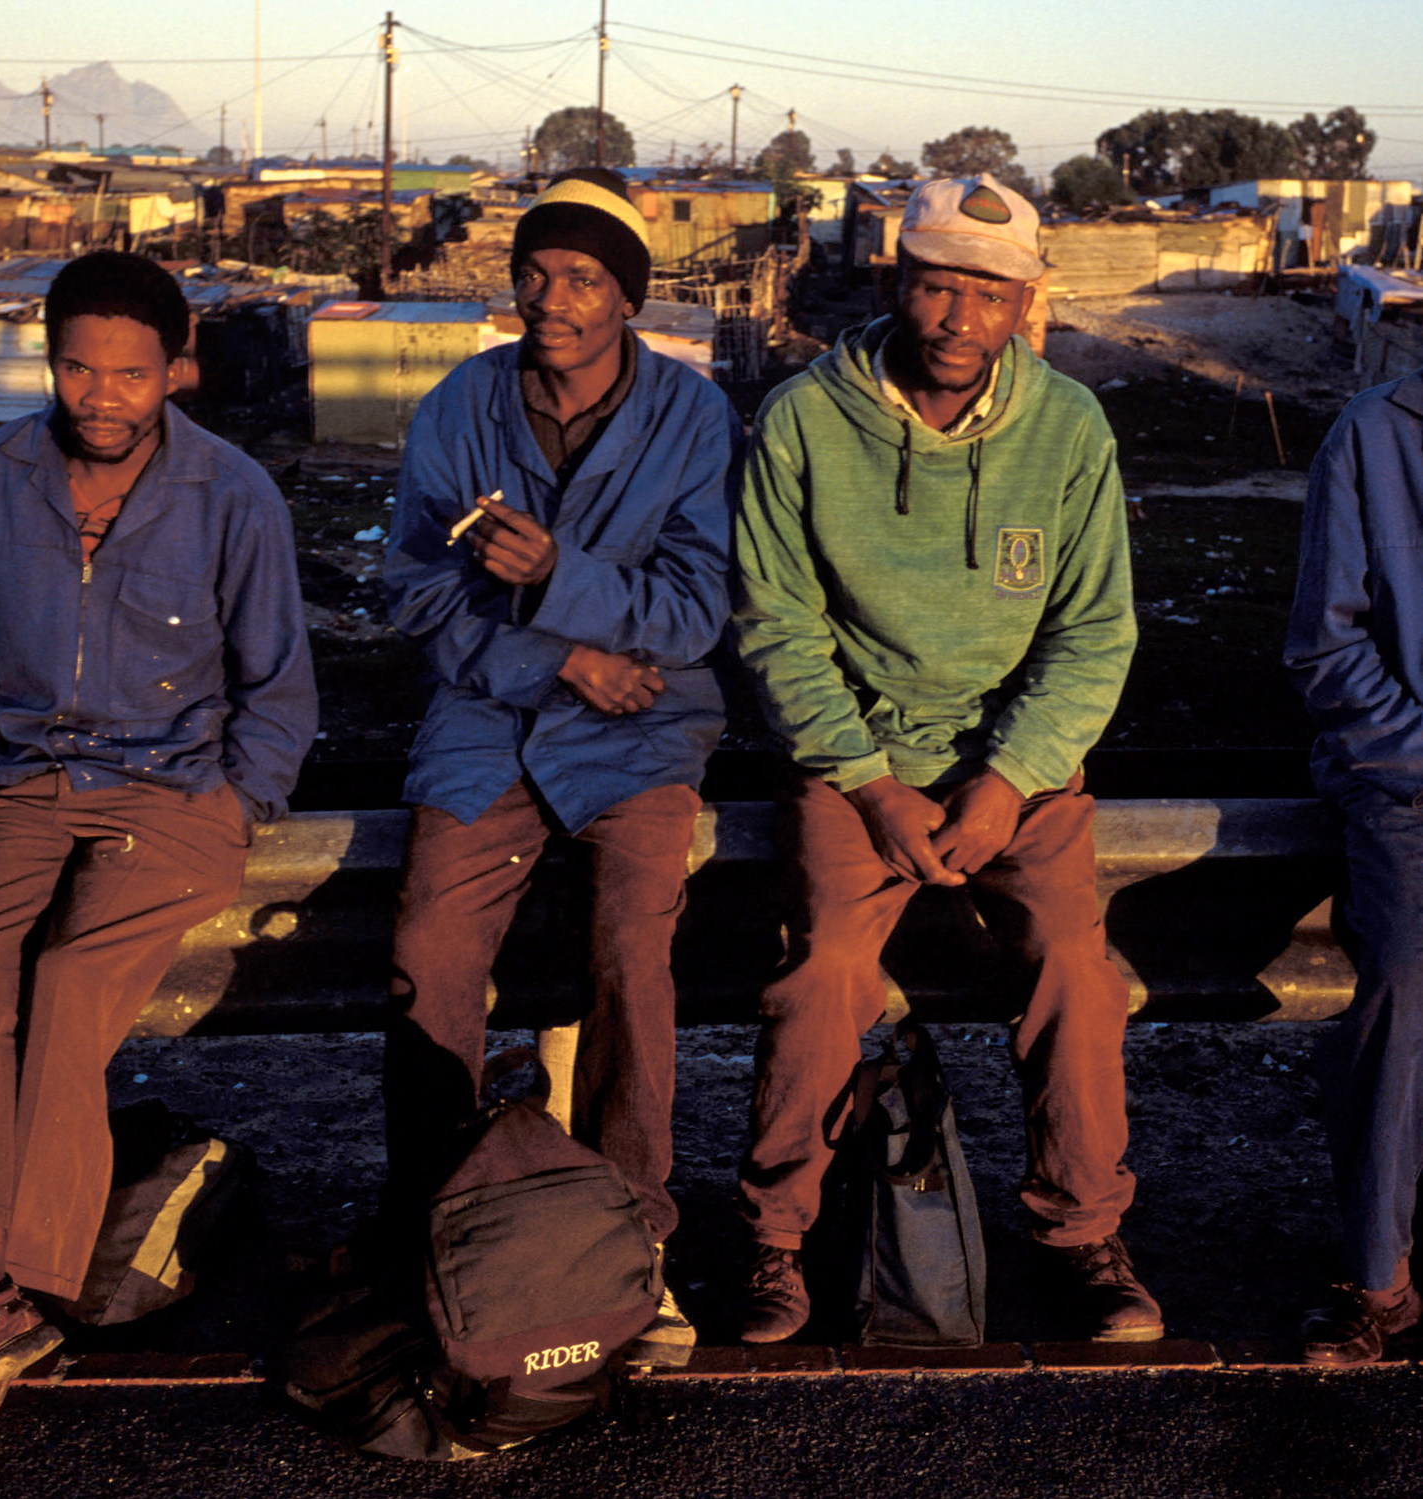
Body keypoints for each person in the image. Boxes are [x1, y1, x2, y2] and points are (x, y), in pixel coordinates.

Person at [0, 251, 317, 1453]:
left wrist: (238, 803)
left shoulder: (233, 494)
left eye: (129, 373)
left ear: (176, 372)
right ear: (49, 364)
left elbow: (278, 686)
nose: (101, 396)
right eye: (76, 367)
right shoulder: (2, 470)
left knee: (65, 987)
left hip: (171, 796)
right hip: (21, 784)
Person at [730, 173, 1161, 1343]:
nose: (957, 317)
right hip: (854, 759)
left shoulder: (1067, 426)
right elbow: (775, 622)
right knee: (821, 978)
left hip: (1013, 771)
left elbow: (1091, 633)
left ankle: (1081, 1237)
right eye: (934, 286)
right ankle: (774, 1241)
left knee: (1076, 973)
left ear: (1026, 303)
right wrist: (867, 784)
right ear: (895, 284)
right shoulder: (804, 421)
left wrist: (1006, 779)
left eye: (988, 292)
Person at [380, 167, 738, 1367]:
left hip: (642, 725)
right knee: (429, 947)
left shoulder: (692, 419)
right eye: (534, 276)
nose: (551, 300)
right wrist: (562, 655)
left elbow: (692, 616)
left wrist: (554, 579)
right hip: (492, 712)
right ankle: (438, 1231)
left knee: (632, 947)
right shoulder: (458, 408)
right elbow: (417, 591)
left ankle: (634, 1238)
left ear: (626, 298)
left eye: (582, 279)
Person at [1284, 368, 1422, 1368]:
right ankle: (1376, 1278)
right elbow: (1325, 652)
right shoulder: (1373, 434)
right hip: (1405, 780)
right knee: (1406, 978)